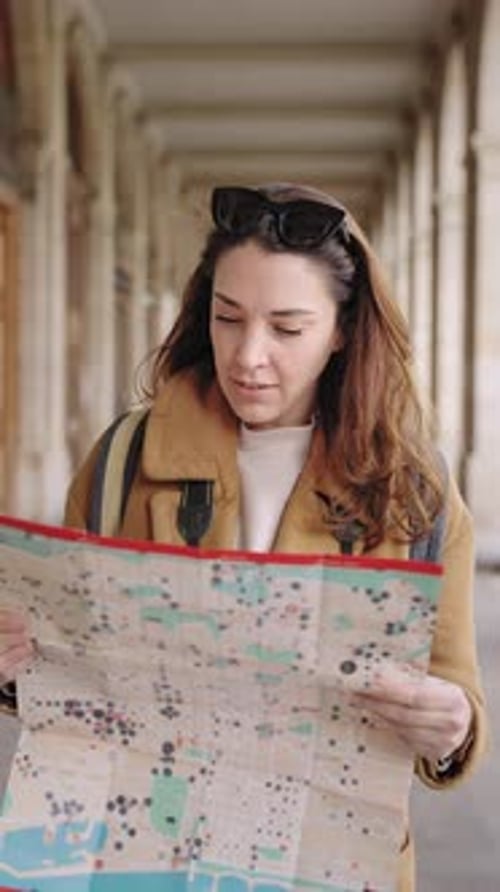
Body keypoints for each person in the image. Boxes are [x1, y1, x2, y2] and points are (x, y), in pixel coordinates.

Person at [0, 183, 487, 890]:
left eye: (287, 329)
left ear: (344, 330)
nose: (248, 355)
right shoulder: (122, 463)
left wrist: (452, 728)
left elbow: (458, 698)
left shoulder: (414, 490)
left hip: (330, 865)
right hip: (143, 857)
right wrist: (16, 670)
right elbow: (66, 668)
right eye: (229, 318)